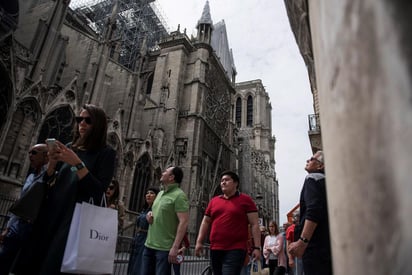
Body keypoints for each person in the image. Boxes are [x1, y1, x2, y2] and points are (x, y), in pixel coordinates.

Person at [13, 104, 116, 274]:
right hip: (50, 214)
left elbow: (97, 190)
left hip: (73, 219)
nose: (82, 123)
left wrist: (76, 163)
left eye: (88, 120)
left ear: (98, 125)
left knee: (53, 265)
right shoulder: (70, 147)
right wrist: (52, 164)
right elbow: (50, 181)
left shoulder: (105, 153)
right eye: (79, 119)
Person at [195, 170, 261, 275]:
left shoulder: (246, 200)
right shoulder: (214, 201)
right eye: (222, 181)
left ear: (236, 183)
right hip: (215, 248)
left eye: (227, 180)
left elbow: (254, 224)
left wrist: (257, 247)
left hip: (236, 248)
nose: (223, 182)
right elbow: (205, 222)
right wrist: (199, 242)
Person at [0, 144, 48, 275]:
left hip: (33, 229)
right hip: (17, 226)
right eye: (29, 152)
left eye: (34, 152)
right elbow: (19, 204)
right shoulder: (30, 177)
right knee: (3, 259)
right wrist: (7, 228)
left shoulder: (49, 177)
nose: (30, 155)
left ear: (45, 156)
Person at [288, 151, 332, 275]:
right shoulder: (328, 182)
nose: (307, 161)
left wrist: (302, 241)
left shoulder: (313, 178)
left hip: (315, 246)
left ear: (320, 166)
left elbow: (313, 210)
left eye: (311, 159)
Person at [141, 166, 189, 275]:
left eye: (166, 171)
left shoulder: (180, 196)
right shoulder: (160, 193)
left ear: (171, 177)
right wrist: (150, 214)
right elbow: (156, 211)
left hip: (164, 249)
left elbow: (184, 222)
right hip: (148, 245)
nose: (162, 173)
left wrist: (175, 247)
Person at [128, 186, 159, 275]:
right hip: (138, 240)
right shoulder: (144, 210)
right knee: (133, 265)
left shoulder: (156, 210)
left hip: (147, 241)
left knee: (141, 267)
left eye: (152, 193)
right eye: (147, 193)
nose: (148, 195)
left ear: (157, 197)